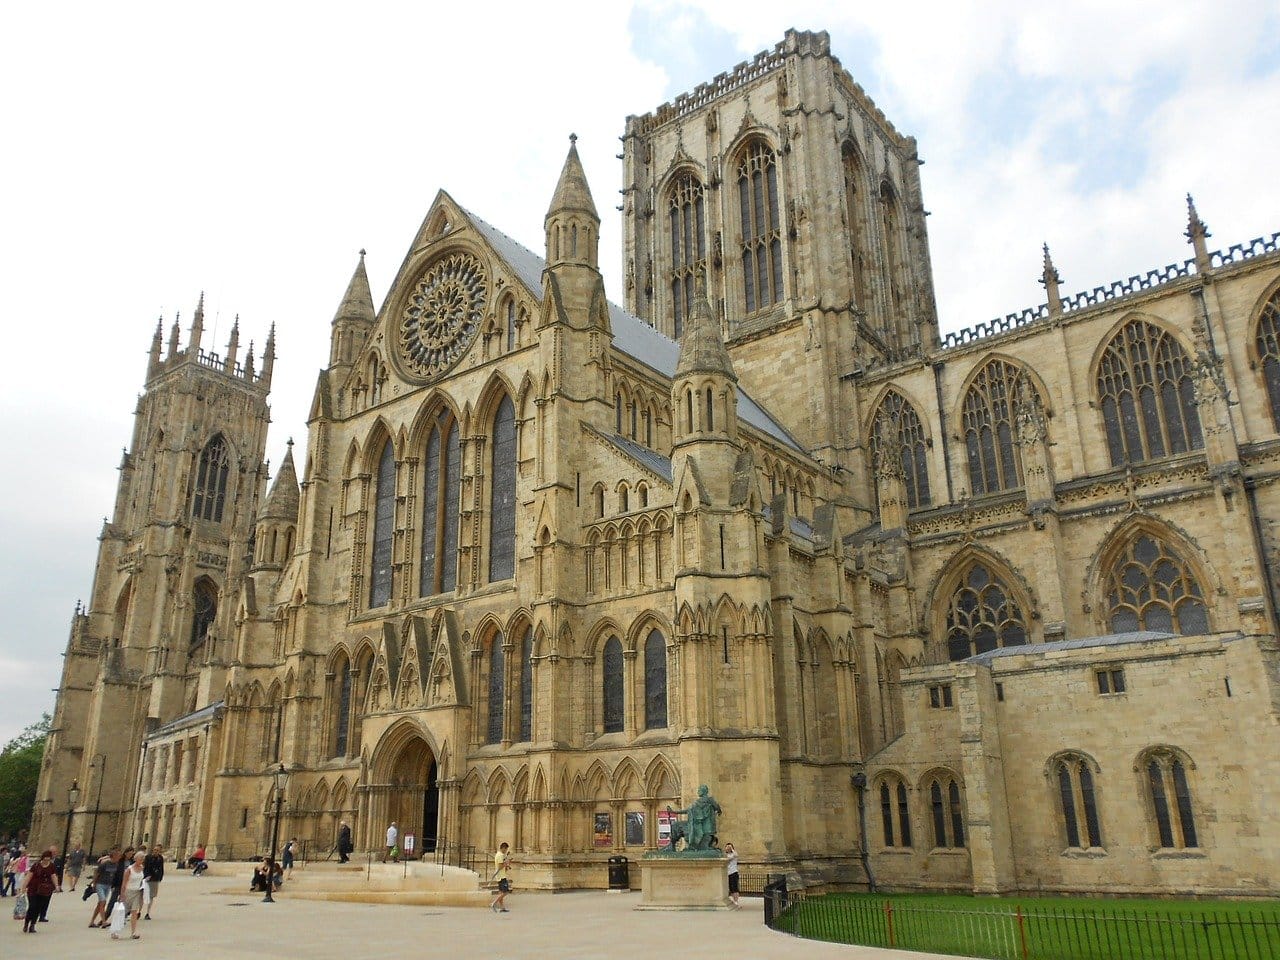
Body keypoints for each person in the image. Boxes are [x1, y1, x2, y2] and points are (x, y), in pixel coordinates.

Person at [21, 850, 59, 933]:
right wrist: (23, 887)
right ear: (43, 858)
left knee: (38, 908)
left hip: (44, 890)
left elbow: (53, 876)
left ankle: (32, 925)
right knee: (32, 906)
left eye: (48, 859)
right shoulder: (36, 865)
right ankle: (26, 923)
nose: (46, 861)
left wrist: (56, 886)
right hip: (33, 889)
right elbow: (29, 876)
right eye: (45, 859)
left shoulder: (51, 866)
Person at [116, 850, 146, 940]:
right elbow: (124, 883)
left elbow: (141, 879)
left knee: (134, 912)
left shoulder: (142, 868)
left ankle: (133, 932)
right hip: (128, 892)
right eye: (140, 859)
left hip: (137, 892)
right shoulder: (129, 869)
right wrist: (122, 894)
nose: (141, 861)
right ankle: (116, 931)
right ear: (136, 859)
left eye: (142, 859)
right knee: (123, 913)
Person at [88, 848, 121, 927]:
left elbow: (114, 876)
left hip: (108, 885)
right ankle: (103, 921)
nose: (119, 857)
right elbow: (97, 873)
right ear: (114, 856)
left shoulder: (116, 865)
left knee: (100, 904)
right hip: (100, 884)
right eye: (118, 856)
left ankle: (92, 921)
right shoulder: (105, 864)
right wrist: (94, 883)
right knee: (103, 902)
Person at [489, 841, 514, 913]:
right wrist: (506, 863)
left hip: (500, 875)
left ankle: (502, 908)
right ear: (503, 848)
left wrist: (507, 864)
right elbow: (500, 866)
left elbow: (503, 866)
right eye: (505, 849)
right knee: (506, 892)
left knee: (501, 892)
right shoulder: (500, 855)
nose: (506, 851)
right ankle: (494, 903)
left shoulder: (500, 855)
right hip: (501, 876)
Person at [142, 844, 164, 919]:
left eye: (157, 850)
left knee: (151, 896)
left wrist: (160, 877)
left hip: (155, 879)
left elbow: (161, 868)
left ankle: (147, 913)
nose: (155, 852)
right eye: (154, 850)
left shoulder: (160, 858)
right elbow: (145, 868)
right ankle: (139, 911)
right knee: (142, 895)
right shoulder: (148, 857)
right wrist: (146, 875)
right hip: (147, 879)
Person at [724, 842, 741, 909]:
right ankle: (733, 901)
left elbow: (735, 855)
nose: (728, 848)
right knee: (730, 888)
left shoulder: (734, 854)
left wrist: (732, 849)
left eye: (729, 847)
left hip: (733, 872)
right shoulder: (725, 855)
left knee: (735, 888)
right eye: (727, 847)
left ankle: (736, 901)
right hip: (727, 873)